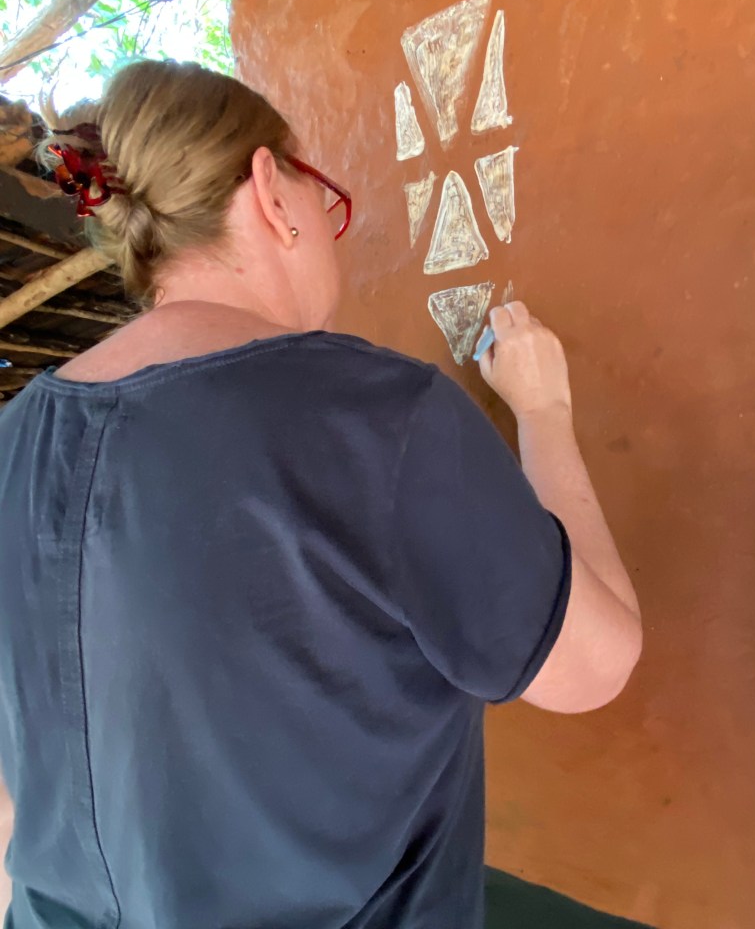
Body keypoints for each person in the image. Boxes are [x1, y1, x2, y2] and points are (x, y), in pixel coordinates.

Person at [0, 59, 641, 929]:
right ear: (271, 188)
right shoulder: (370, 413)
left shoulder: (15, 442)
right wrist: (546, 415)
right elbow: (593, 666)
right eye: (326, 199)